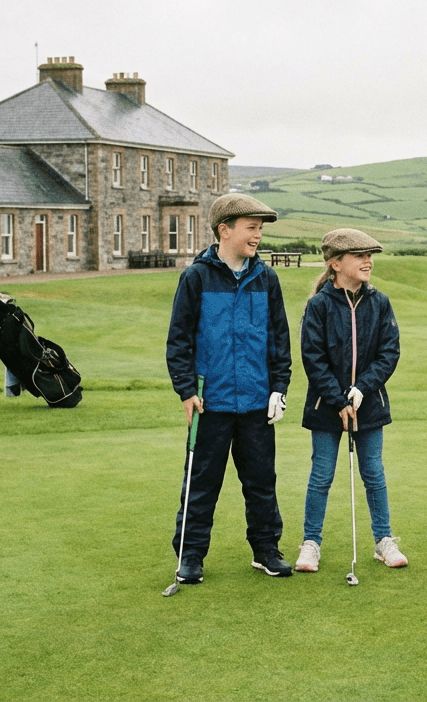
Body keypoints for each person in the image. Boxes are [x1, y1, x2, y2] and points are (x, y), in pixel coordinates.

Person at [166, 193, 294, 582]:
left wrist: (280, 388)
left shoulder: (266, 278)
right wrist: (187, 390)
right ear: (225, 229)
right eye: (251, 228)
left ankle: (267, 550)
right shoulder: (196, 277)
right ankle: (190, 556)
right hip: (210, 402)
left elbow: (279, 339)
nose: (257, 236)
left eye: (259, 229)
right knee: (201, 483)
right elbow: (179, 340)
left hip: (257, 401)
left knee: (261, 482)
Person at [294, 228, 407, 573]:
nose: (368, 261)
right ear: (335, 263)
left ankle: (383, 540)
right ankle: (311, 543)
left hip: (369, 402)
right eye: (359, 256)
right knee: (322, 474)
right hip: (326, 405)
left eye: (369, 255)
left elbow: (389, 352)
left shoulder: (379, 302)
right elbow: (313, 358)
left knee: (373, 473)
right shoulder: (319, 305)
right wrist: (339, 398)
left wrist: (363, 388)